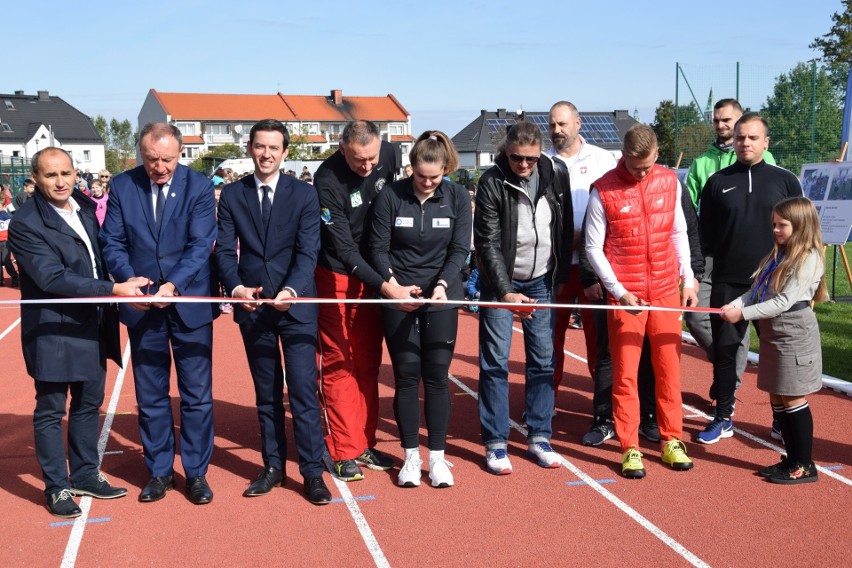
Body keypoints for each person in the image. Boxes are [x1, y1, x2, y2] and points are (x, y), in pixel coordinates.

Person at [8, 147, 147, 518]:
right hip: (55, 329)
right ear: (35, 179)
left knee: (88, 404)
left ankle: (85, 473)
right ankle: (56, 486)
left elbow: (103, 254)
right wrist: (114, 289)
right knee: (51, 408)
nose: (60, 182)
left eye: (66, 173)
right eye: (51, 175)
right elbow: (51, 277)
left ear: (75, 174)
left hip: (93, 324)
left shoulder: (84, 207)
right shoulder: (25, 222)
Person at [100, 123, 218, 505]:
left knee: (197, 395)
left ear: (179, 153)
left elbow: (201, 244)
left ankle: (196, 473)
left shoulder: (199, 186)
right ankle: (159, 472)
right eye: (152, 159)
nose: (160, 167)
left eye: (167, 159)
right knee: (151, 396)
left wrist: (175, 285)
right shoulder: (122, 186)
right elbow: (112, 242)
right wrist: (127, 280)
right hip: (142, 306)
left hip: (188, 305)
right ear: (141, 154)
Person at [215, 119, 332, 504]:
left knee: (301, 390)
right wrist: (235, 288)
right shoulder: (232, 195)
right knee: (266, 393)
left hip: (295, 306)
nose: (266, 154)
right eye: (259, 146)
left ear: (285, 152)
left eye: (273, 148)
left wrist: (291, 289)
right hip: (253, 308)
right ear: (250, 148)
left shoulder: (303, 195)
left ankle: (312, 472)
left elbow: (307, 250)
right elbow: (224, 251)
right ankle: (273, 467)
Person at [586, 124, 697, 479]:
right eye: (636, 168)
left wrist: (688, 279)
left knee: (668, 370)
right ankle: (629, 446)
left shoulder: (669, 181)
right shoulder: (603, 189)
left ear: (657, 155)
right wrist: (618, 291)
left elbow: (678, 231)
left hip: (665, 289)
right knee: (625, 374)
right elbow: (592, 248)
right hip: (626, 296)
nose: (642, 173)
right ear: (624, 157)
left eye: (648, 166)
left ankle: (671, 440)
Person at [368, 131, 471, 488]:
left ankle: (438, 459)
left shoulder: (457, 197)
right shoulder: (390, 196)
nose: (427, 183)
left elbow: (459, 250)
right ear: (411, 168)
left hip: (442, 294)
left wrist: (443, 285)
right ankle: (411, 457)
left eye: (435, 177)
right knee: (407, 375)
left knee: (438, 376)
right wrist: (394, 286)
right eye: (421, 176)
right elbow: (378, 249)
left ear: (446, 169)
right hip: (399, 293)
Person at [697, 114, 803, 444]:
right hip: (728, 281)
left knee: (776, 356)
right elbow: (705, 235)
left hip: (775, 283)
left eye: (753, 138)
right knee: (726, 352)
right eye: (741, 137)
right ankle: (723, 416)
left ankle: (780, 419)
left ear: (765, 142)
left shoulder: (785, 181)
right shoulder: (717, 182)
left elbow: (800, 232)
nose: (745, 143)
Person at [474, 120, 571, 474]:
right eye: (517, 158)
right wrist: (505, 291)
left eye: (531, 158)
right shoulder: (490, 182)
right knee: (495, 360)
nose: (524, 165)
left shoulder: (554, 172)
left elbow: (563, 224)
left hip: (542, 280)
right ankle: (496, 442)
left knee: (543, 360)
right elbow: (487, 242)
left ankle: (540, 436)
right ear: (507, 151)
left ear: (540, 153)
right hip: (502, 283)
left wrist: (557, 277)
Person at [313, 120, 400, 481]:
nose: (366, 167)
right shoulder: (326, 180)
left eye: (371, 158)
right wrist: (384, 284)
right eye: (357, 160)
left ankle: (364, 442)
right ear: (341, 147)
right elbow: (344, 248)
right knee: (340, 360)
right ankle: (342, 449)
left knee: (368, 360)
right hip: (338, 273)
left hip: (378, 273)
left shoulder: (391, 155)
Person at [720, 197, 826, 484]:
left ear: (801, 225)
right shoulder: (777, 255)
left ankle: (804, 464)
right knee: (778, 395)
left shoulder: (809, 258)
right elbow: (755, 291)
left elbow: (783, 301)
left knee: (792, 396)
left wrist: (741, 314)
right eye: (774, 224)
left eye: (782, 225)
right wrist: (734, 304)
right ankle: (791, 458)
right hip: (772, 332)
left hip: (793, 332)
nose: (776, 230)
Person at [684, 99, 776, 393]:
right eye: (717, 121)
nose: (722, 126)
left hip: (760, 262)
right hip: (713, 257)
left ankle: (729, 388)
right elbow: (690, 212)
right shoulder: (702, 165)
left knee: (762, 329)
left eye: (728, 121)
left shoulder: (769, 163)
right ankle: (728, 361)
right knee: (697, 317)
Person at [0, 185, 19, 287]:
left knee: (6, 260)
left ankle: (15, 277)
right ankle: (0, 280)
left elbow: (13, 214)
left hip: (5, 241)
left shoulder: (6, 217)